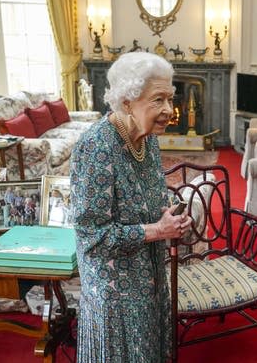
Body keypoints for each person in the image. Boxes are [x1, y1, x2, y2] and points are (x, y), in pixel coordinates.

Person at [70, 51, 192, 362]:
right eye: (158, 100)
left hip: (149, 279)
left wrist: (168, 216)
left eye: (170, 98)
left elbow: (149, 197)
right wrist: (157, 230)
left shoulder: (147, 137)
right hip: (115, 298)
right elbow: (91, 238)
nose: (169, 109)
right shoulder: (96, 147)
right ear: (127, 102)